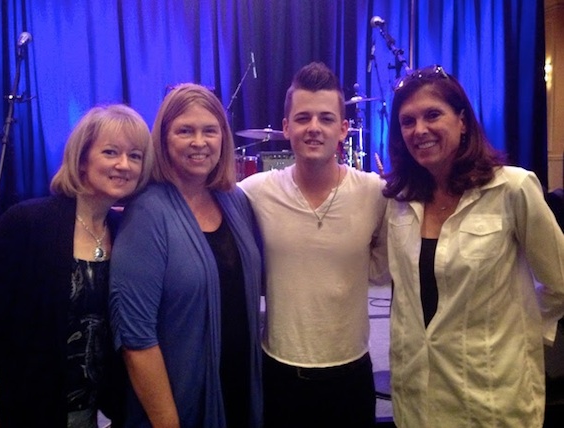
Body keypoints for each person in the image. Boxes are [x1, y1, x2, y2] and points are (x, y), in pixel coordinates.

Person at [383, 64, 564, 427]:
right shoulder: (399, 200)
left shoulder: (512, 188)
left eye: (433, 115)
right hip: (416, 393)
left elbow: (559, 281)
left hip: (492, 397)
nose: (420, 130)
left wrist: (515, 337)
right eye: (408, 121)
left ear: (462, 121)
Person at [238, 62, 389, 427]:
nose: (314, 128)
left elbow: (382, 266)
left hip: (351, 373)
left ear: (343, 128)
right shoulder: (255, 192)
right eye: (303, 118)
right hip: (280, 373)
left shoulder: (375, 193)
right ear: (286, 127)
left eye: (325, 118)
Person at [109, 83, 263, 427]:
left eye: (210, 130)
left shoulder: (235, 201)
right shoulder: (147, 212)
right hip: (179, 403)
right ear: (163, 139)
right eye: (185, 131)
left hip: (236, 387)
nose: (199, 142)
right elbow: (136, 338)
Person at [0, 104, 153, 427]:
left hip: (97, 414)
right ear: (82, 159)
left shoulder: (127, 232)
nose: (124, 165)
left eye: (135, 156)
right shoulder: (26, 223)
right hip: (27, 411)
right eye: (111, 152)